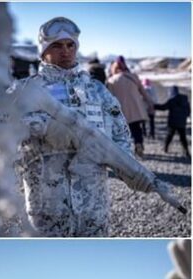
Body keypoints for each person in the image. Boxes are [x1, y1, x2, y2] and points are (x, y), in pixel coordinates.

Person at [10, 17, 152, 237]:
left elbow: (120, 135)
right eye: (56, 46)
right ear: (43, 51)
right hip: (47, 212)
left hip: (94, 211)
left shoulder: (98, 91)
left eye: (70, 45)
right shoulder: (24, 92)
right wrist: (41, 128)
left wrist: (128, 169)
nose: (65, 51)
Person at [107, 56, 153, 157]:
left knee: (122, 132)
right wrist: (150, 103)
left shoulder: (111, 81)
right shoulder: (133, 76)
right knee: (137, 129)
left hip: (121, 111)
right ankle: (139, 144)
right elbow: (143, 92)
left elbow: (109, 99)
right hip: (136, 109)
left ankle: (125, 152)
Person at [155, 86, 191, 159]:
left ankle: (165, 148)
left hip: (173, 122)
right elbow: (188, 112)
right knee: (183, 137)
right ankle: (186, 151)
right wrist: (183, 117)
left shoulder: (172, 100)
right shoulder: (185, 100)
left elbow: (163, 107)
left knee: (169, 136)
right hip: (182, 122)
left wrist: (153, 106)